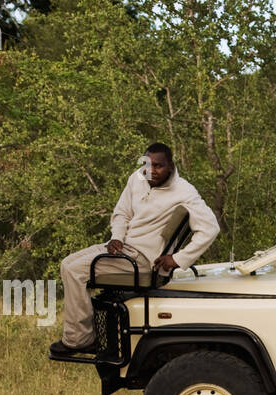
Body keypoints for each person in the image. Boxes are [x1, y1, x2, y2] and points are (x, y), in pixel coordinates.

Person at [52, 143, 219, 356]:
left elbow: (210, 228)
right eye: (147, 164)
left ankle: (79, 340)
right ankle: (85, 332)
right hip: (124, 248)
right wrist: (117, 237)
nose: (151, 170)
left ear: (171, 166)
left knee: (76, 272)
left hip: (143, 260)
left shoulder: (184, 191)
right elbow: (122, 213)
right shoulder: (137, 178)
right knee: (67, 264)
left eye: (158, 166)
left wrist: (177, 259)